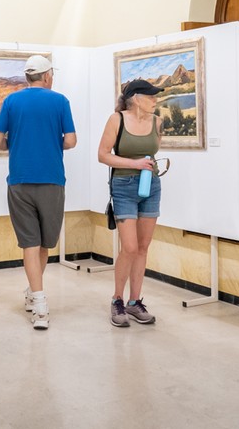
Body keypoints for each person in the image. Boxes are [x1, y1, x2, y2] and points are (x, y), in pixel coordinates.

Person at [0, 55, 76, 330]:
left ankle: (34, 294)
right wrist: (50, 143)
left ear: (28, 77)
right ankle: (39, 301)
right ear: (48, 76)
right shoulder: (60, 101)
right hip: (52, 180)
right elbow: (71, 141)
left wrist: (14, 145)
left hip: (19, 180)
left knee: (30, 242)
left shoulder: (11, 101)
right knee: (45, 243)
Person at [97, 79, 163, 328]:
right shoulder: (117, 120)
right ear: (136, 98)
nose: (155, 101)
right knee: (130, 248)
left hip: (151, 186)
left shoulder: (157, 121)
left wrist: (145, 168)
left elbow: (154, 153)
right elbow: (103, 155)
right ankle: (117, 299)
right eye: (151, 96)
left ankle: (135, 302)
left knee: (144, 247)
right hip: (123, 187)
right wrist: (134, 164)